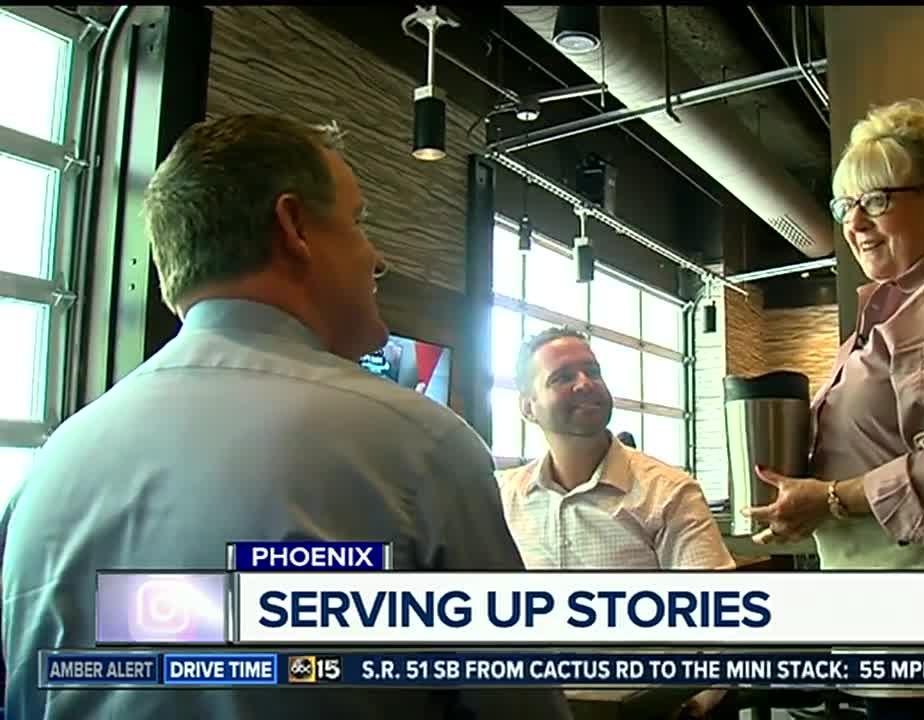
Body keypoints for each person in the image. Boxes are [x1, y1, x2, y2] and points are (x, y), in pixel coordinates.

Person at [0, 114, 571, 720]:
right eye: (357, 222)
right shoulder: (419, 445)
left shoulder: (50, 468)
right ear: (294, 226)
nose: (376, 258)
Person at [743, 99, 924, 719]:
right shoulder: (897, 309)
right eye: (845, 205)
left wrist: (827, 500)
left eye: (876, 200)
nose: (855, 222)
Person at [497, 327, 733, 717]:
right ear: (527, 407)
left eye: (592, 371)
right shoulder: (505, 497)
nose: (585, 384)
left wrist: (694, 703)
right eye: (562, 377)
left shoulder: (667, 492)